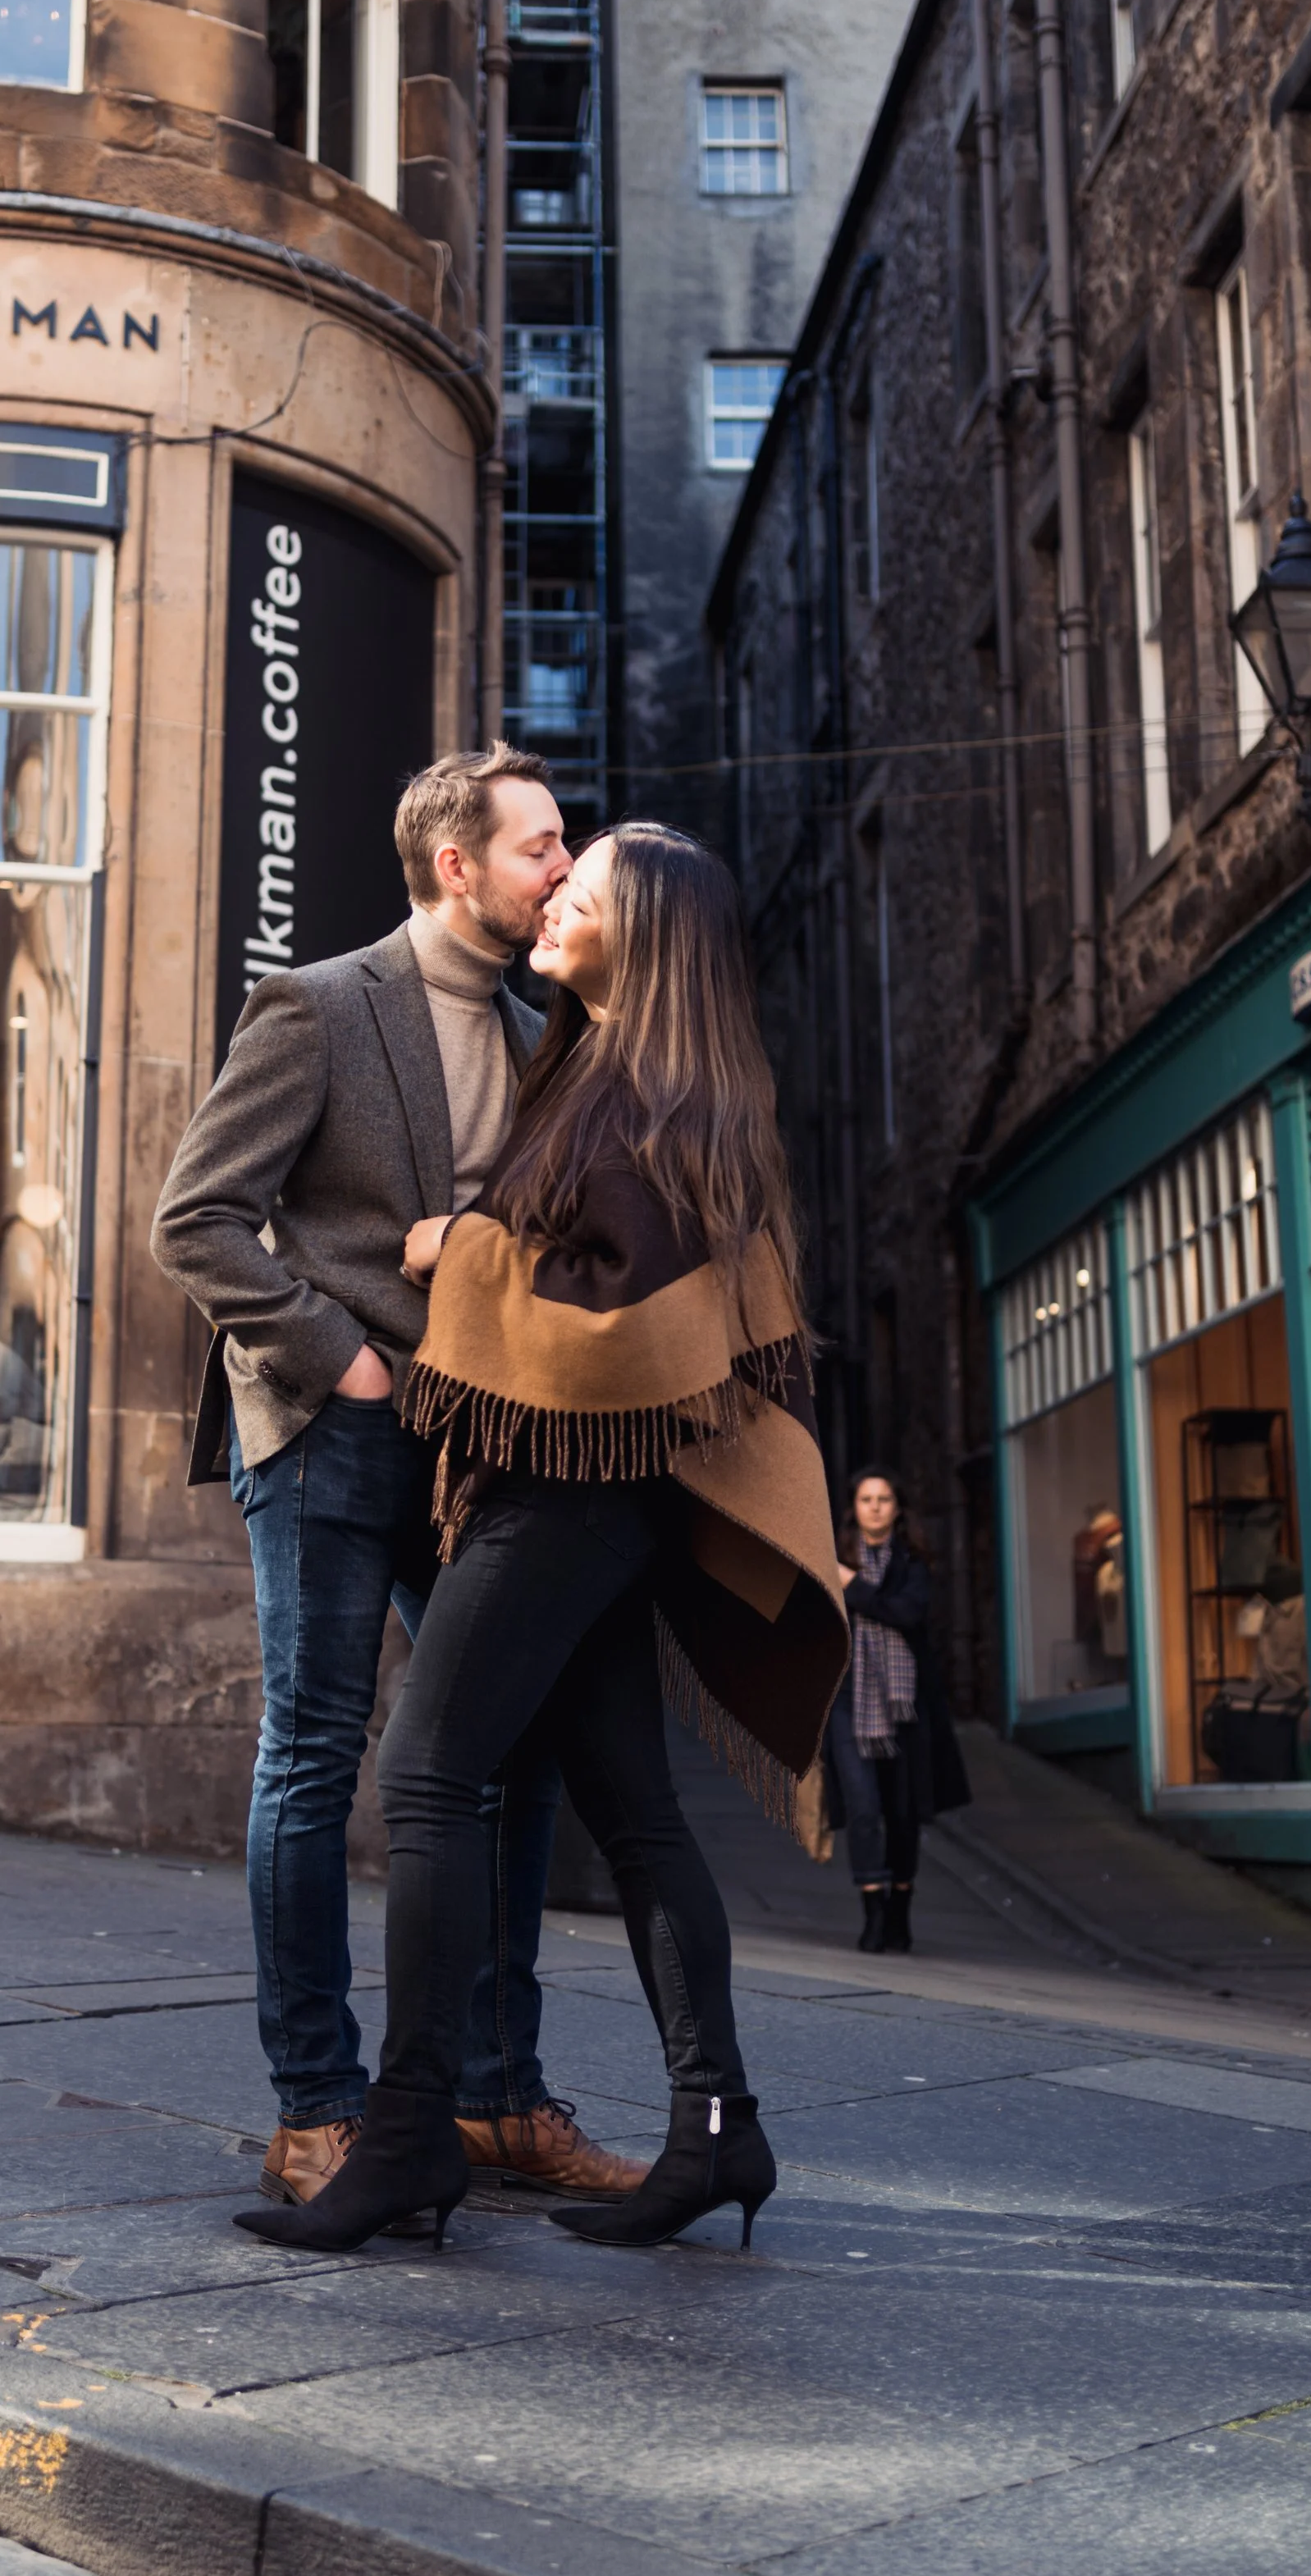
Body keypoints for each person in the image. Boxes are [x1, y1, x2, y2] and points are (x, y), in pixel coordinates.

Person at [232, 822, 849, 2257]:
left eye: (592, 879)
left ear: (662, 925)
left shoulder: (653, 1085)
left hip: (571, 1490)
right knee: (633, 1810)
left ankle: (404, 2143)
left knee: (432, 1777)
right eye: (555, 870)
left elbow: (620, 1302)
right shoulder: (619, 1071)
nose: (561, 891)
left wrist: (467, 1250)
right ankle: (718, 2130)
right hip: (601, 1488)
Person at [151, 745, 646, 2209]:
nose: (564, 866)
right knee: (315, 1751)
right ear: (458, 864)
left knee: (507, 1753)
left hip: (475, 1440)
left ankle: (496, 2099)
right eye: (541, 846)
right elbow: (198, 1221)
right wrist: (343, 1356)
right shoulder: (319, 1006)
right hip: (328, 1428)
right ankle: (317, 2106)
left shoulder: (535, 1024)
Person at [825, 1468, 971, 1953]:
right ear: (854, 1507)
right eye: (866, 1498)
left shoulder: (913, 1564)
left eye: (884, 1498)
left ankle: (900, 1910)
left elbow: (906, 1613)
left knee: (903, 1811)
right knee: (864, 1806)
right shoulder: (832, 1560)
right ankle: (873, 1908)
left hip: (905, 1706)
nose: (875, 1506)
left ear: (897, 1508)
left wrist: (854, 1587)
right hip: (848, 1699)